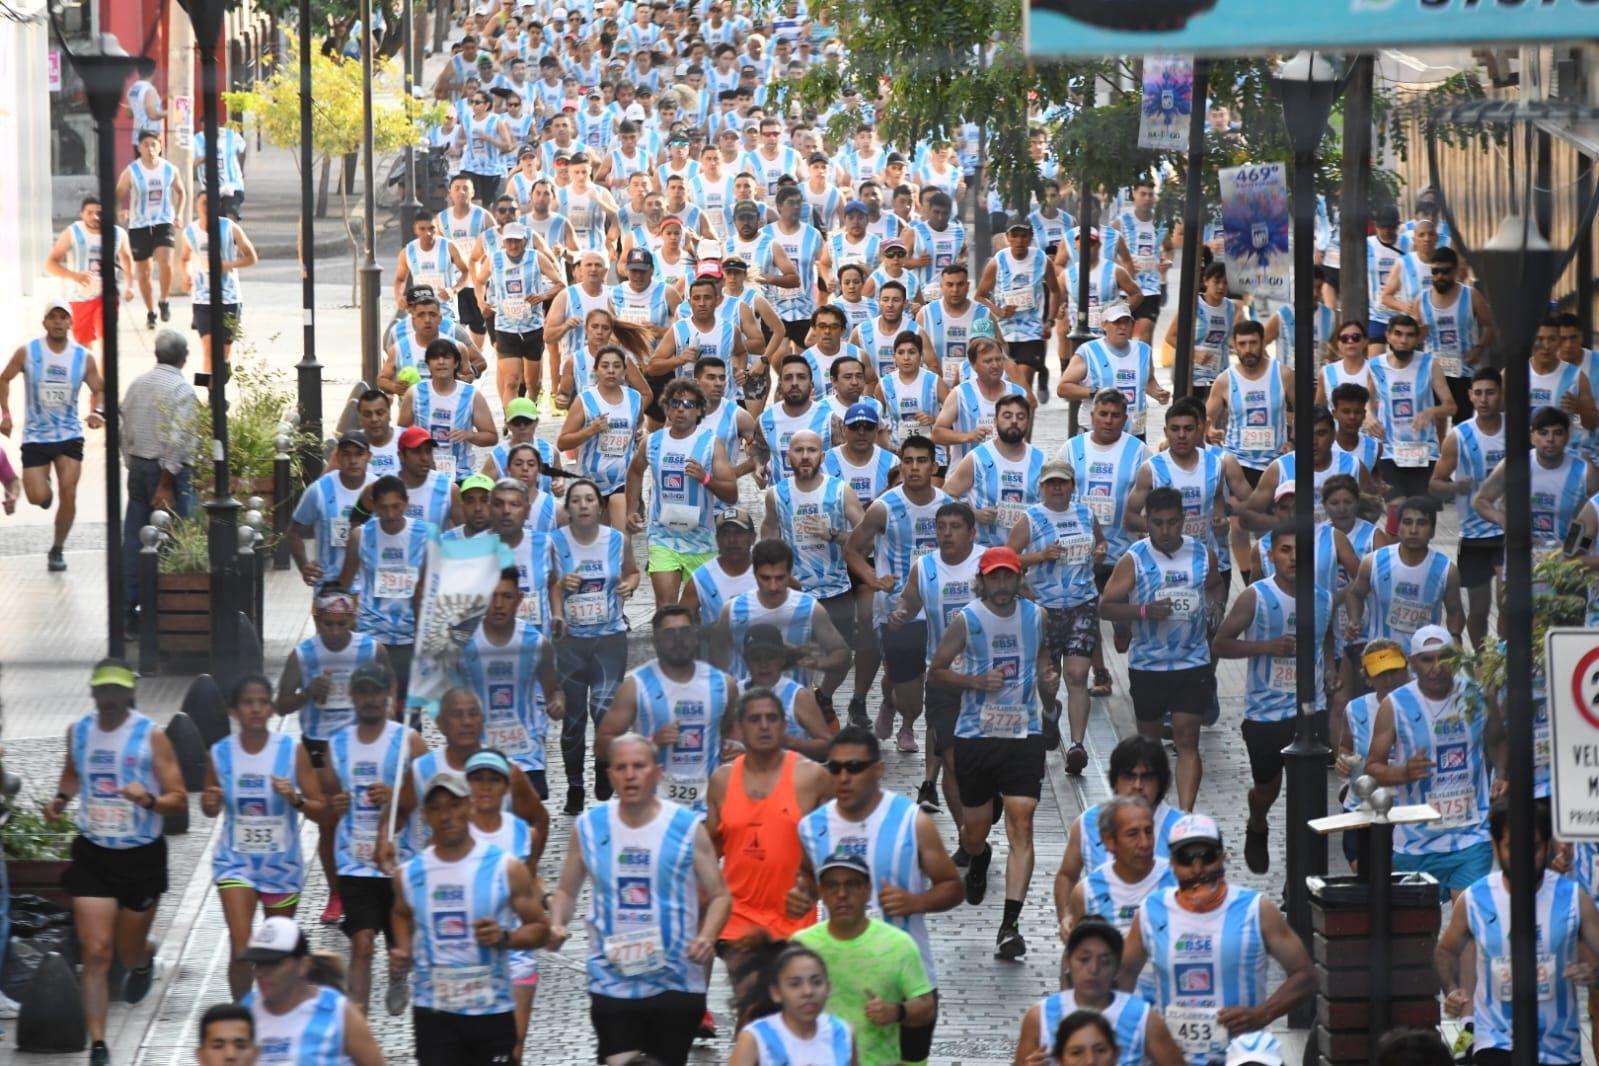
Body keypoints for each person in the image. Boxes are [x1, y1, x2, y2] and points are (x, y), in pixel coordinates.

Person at [547, 732, 732, 1066]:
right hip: (612, 979)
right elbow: (565, 891)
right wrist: (557, 923)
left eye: (639, 766)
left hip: (676, 980)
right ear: (610, 776)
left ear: (657, 772)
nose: (630, 775)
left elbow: (719, 895)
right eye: (621, 768)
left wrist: (706, 936)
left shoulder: (685, 826)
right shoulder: (590, 827)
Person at [47, 660, 187, 1066]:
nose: (109, 698)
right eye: (102, 690)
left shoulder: (151, 737)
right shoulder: (79, 732)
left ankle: (142, 960)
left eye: (116, 691)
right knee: (96, 950)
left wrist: (149, 800)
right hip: (93, 852)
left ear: (130, 692)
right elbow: (73, 773)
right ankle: (98, 1044)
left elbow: (178, 797)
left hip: (141, 856)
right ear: (93, 692)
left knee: (126, 952)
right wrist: (60, 800)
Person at [928, 545, 1055, 958]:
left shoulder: (1037, 616)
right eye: (994, 577)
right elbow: (939, 670)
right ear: (981, 581)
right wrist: (975, 681)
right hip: (976, 737)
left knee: (1022, 824)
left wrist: (1049, 683)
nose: (1002, 586)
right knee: (975, 830)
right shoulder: (966, 620)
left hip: (1024, 734)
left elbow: (1041, 660)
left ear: (1019, 579)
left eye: (1008, 577)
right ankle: (978, 857)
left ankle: (1010, 926)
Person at [1118, 814, 1317, 1066]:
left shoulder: (1256, 909)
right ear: (1172, 865)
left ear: (1223, 857)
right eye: (1186, 859)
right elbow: (1123, 977)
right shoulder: (1152, 910)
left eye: (1208, 857)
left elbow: (1306, 975)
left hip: (1242, 1058)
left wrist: (1261, 1014)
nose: (1198, 869)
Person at [389, 773, 549, 1066]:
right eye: (436, 808)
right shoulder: (409, 874)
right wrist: (404, 950)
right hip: (435, 1012)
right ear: (424, 816)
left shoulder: (505, 868)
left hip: (491, 1011)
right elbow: (400, 912)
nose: (446, 815)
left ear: (470, 807)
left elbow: (540, 929)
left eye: (454, 805)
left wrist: (504, 938)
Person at [1436, 798, 1599, 1066]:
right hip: (1493, 1043)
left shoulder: (1574, 898)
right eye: (1513, 847)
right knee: (1469, 1035)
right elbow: (1445, 950)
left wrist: (1594, 974)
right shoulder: (1474, 899)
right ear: (1495, 846)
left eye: (1533, 847)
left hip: (1559, 1049)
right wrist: (1453, 992)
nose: (1523, 857)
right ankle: (1466, 1031)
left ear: (1547, 846)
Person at [1211, 525, 1333, 874]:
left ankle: (1297, 881)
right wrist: (1267, 646)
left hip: (1310, 709)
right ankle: (1257, 821)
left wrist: (1330, 671)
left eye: (1300, 551)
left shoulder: (1323, 597)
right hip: (1265, 714)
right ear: (1271, 555)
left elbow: (1324, 635)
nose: (1293, 557)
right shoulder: (1255, 596)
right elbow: (1220, 643)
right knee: (1267, 788)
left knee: (1305, 797)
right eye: (1285, 550)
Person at [1099, 487, 1225, 813]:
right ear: (1147, 523)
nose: (1165, 531)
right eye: (1157, 523)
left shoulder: (1202, 554)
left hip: (1192, 660)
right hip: (1149, 665)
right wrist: (1143, 611)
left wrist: (1215, 608)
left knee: (1187, 739)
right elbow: (1106, 607)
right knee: (1150, 745)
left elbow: (1214, 586)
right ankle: (1154, 810)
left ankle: (1184, 815)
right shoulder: (1135, 559)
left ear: (1184, 520)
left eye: (1172, 522)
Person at [202, 675, 325, 1001]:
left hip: (281, 866)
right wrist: (210, 803)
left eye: (262, 702)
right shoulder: (220, 754)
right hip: (235, 862)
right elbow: (210, 806)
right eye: (247, 703)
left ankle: (273, 1012)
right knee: (242, 945)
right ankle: (242, 1015)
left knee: (278, 953)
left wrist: (295, 799)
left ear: (271, 709)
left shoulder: (291, 751)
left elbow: (320, 809)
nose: (256, 709)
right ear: (233, 711)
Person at [1363, 625, 1500, 900]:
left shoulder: (1476, 696)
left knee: (1469, 918)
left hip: (1471, 835)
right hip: (1416, 843)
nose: (1437, 666)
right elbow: (1372, 768)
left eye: (1444, 657)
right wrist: (1402, 773)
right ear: (1413, 663)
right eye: (1427, 659)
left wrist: (1504, 775)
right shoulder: (1395, 705)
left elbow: (1499, 740)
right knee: (1421, 932)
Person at [325, 660, 426, 1013]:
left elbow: (432, 795)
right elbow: (328, 799)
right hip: (354, 860)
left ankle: (398, 976)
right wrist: (334, 803)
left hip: (399, 861)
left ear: (388, 696)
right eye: (363, 692)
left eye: (376, 692)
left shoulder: (409, 741)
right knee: (362, 943)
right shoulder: (336, 745)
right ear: (352, 695)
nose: (369, 699)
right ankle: (358, 1025)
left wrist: (399, 793)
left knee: (398, 946)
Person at [706, 687, 834, 962]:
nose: (764, 726)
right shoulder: (721, 781)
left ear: (784, 725)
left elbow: (835, 855)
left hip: (795, 921)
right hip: (736, 921)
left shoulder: (812, 778)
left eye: (772, 718)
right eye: (754, 719)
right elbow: (707, 853)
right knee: (750, 1003)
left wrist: (812, 889)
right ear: (739, 728)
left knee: (786, 1003)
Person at [792, 852, 936, 1066]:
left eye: (852, 885)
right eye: (832, 886)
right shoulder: (800, 946)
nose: (842, 894)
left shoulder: (898, 944)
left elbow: (926, 1007)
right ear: (821, 892)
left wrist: (896, 1011)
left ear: (867, 891)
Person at [598, 604, 738, 815]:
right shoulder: (636, 686)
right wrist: (650, 745)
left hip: (709, 810)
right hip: (653, 810)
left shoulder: (723, 684)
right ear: (655, 641)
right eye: (669, 634)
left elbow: (734, 732)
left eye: (685, 632)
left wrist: (737, 748)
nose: (679, 640)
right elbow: (601, 745)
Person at [1008, 457, 1104, 766]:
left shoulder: (1086, 514)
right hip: (1044, 608)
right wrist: (1039, 555)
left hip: (1082, 604)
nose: (1058, 488)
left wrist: (1099, 552)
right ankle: (1050, 711)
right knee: (1048, 679)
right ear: (1042, 487)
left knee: (1077, 675)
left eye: (1063, 482)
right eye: (1052, 483)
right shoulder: (1031, 518)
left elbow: (1100, 546)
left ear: (1073, 486)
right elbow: (1006, 560)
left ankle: (1077, 745)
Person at [552, 477, 640, 808]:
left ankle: (604, 768)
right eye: (577, 501)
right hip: (571, 642)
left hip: (608, 639)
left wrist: (628, 586)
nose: (584, 505)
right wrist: (561, 585)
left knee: (603, 710)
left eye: (590, 500)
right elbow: (546, 586)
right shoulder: (554, 543)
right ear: (568, 509)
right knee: (573, 720)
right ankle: (575, 785)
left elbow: (632, 573)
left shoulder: (617, 541)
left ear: (600, 507)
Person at [0, 300, 105, 570]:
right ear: (44, 322)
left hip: (69, 434)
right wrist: (7, 415)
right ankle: (44, 492)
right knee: (36, 497)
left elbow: (99, 389)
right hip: (36, 435)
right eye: (53, 317)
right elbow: (3, 378)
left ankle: (57, 549)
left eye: (63, 317)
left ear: (71, 323)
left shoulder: (83, 356)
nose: (58, 322)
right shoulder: (28, 352)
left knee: (68, 493)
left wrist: (99, 413)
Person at [1060, 387, 1150, 699]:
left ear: (1125, 419)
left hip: (1124, 550)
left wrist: (1146, 527)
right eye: (1103, 414)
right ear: (1092, 416)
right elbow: (1059, 495)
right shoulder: (1072, 449)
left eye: (1115, 416)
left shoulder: (1138, 451)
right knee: (1089, 613)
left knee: (1118, 615)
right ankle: (1100, 673)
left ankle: (1124, 630)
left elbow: (1150, 494)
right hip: (1083, 551)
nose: (1108, 421)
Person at [625, 377, 739, 604]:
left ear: (699, 411)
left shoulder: (710, 443)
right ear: (666, 408)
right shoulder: (653, 442)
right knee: (666, 609)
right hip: (662, 538)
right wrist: (630, 509)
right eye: (675, 403)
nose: (681, 410)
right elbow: (635, 471)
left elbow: (731, 494)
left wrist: (705, 479)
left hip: (702, 541)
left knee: (695, 613)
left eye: (689, 405)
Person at [462, 749, 544, 1061]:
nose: (485, 787)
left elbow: (529, 879)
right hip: (468, 958)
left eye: (493, 780)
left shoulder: (522, 832)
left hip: (515, 955)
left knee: (511, 1053)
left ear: (506, 787)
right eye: (477, 780)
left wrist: (546, 902)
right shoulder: (451, 830)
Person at [1014, 918, 1184, 1066]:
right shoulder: (1039, 1017)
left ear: (1118, 968)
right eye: (1084, 959)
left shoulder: (1144, 1018)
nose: (1093, 969)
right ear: (1067, 962)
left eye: (1105, 961)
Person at [459, 568, 565, 798]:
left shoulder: (536, 643)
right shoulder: (463, 644)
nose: (498, 604)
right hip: (481, 757)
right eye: (492, 596)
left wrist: (557, 704)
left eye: (506, 597)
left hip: (526, 757)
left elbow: (554, 692)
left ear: (518, 599)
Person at [1054, 735, 1185, 911]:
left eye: (1146, 777)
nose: (1137, 785)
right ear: (1115, 780)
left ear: (1161, 782)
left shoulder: (1183, 828)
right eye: (1129, 776)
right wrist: (1067, 917)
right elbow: (1067, 876)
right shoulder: (1088, 823)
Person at [336, 475, 432, 713]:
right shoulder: (360, 536)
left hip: (409, 637)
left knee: (408, 712)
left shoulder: (425, 535)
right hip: (371, 635)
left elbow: (430, 589)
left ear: (406, 503)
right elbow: (345, 584)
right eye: (383, 508)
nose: (389, 515)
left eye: (396, 507)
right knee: (372, 706)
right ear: (374, 506)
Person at [119, 331, 197, 618]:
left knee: (135, 539)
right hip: (169, 473)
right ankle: (170, 609)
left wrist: (132, 463)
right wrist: (165, 482)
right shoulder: (182, 390)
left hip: (139, 466)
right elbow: (179, 439)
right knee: (177, 539)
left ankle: (127, 609)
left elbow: (123, 430)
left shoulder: (137, 384)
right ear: (183, 358)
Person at [1428, 367, 1505, 651]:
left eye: (1491, 392)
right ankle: (1483, 663)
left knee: (1508, 601)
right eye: (1479, 393)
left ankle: (1506, 660)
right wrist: (1454, 487)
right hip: (1473, 533)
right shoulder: (1458, 436)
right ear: (1470, 396)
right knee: (1480, 609)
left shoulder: (1517, 432)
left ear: (1501, 394)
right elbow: (1434, 483)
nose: (1484, 399)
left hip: (1507, 530)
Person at [237, 917, 384, 1065]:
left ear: (303, 965)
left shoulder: (339, 1012)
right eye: (258, 963)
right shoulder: (247, 1010)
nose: (261, 972)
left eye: (273, 964)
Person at [1367, 314, 1455, 499]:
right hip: (1390, 450)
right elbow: (1367, 400)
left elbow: (1451, 407)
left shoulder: (1430, 364)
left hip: (1423, 451)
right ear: (1388, 336)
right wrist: (1369, 416)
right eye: (1398, 334)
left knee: (1422, 514)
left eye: (1409, 335)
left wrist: (1431, 411)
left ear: (1417, 339)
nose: (1403, 340)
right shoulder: (1375, 366)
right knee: (1395, 507)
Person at [727, 946, 857, 1066]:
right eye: (795, 984)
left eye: (816, 982)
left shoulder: (842, 1033)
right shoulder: (755, 1038)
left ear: (828, 988)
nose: (808, 992)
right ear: (776, 992)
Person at [176, 190, 258, 374]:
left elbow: (251, 257)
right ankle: (208, 397)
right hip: (202, 299)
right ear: (197, 206)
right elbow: (183, 259)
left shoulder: (230, 228)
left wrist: (228, 265)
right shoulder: (190, 232)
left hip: (229, 298)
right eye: (203, 203)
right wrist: (186, 275)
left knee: (223, 354)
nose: (207, 207)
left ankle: (223, 373)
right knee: (208, 351)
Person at [977, 215, 1059, 394]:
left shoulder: (1042, 260)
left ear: (1031, 237)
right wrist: (998, 311)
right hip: (1003, 334)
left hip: (1031, 333)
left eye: (1024, 235)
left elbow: (1055, 291)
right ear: (1008, 237)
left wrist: (1050, 321)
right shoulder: (997, 262)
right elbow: (979, 296)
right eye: (1014, 235)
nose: (1019, 240)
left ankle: (1027, 416)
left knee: (1023, 389)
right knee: (1005, 391)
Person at [43, 196, 134, 352]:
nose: (94, 217)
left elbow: (126, 258)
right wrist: (74, 276)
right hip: (79, 296)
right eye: (89, 213)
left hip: (107, 294)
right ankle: (90, 374)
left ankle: (105, 375)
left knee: (107, 341)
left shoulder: (117, 234)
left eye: (98, 212)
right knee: (83, 345)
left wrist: (129, 286)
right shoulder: (72, 233)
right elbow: (50, 264)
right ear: (82, 214)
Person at [287, 430, 374, 589]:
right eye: (346, 454)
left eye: (359, 454)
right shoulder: (319, 490)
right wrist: (304, 566)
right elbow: (293, 532)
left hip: (369, 590)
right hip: (329, 590)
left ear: (369, 456)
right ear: (338, 457)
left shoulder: (379, 490)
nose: (353, 460)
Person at [115, 132, 185, 329]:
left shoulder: (169, 169)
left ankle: (164, 300)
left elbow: (181, 192)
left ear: (160, 146)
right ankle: (151, 311)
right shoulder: (132, 171)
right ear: (139, 148)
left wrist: (178, 214)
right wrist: (121, 210)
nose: (150, 148)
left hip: (163, 222)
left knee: (165, 262)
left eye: (153, 144)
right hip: (139, 225)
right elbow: (118, 193)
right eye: (145, 145)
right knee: (144, 272)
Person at [679, 506, 759, 630]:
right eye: (725, 534)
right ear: (717, 539)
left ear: (753, 538)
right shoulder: (701, 580)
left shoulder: (768, 574)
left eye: (739, 533)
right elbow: (682, 625)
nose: (732, 540)